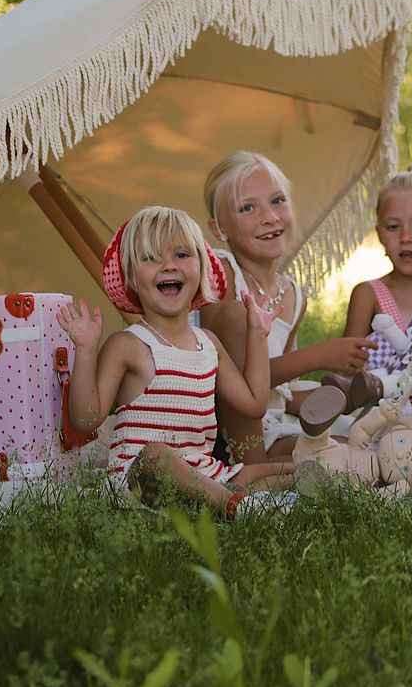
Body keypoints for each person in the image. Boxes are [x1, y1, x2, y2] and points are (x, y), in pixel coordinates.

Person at [56, 205, 293, 516]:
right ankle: (235, 506)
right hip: (141, 479)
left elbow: (253, 403)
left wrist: (258, 336)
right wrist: (86, 350)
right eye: (151, 258)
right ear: (130, 276)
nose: (168, 266)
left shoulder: (209, 344)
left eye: (181, 255)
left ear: (202, 268)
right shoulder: (128, 344)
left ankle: (263, 491)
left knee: (284, 470)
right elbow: (86, 419)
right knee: (157, 455)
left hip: (203, 474)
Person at [200, 151, 375, 462]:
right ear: (219, 229)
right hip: (219, 426)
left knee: (354, 446)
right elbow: (224, 375)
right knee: (240, 314)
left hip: (270, 421)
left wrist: (342, 398)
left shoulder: (293, 295)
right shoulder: (219, 272)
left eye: (278, 201)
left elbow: (279, 390)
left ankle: (298, 463)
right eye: (247, 208)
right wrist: (320, 355)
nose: (269, 216)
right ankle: (251, 470)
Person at [325, 162, 412, 411]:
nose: (406, 237)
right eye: (393, 227)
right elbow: (347, 367)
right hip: (372, 411)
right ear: (380, 234)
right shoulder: (369, 294)